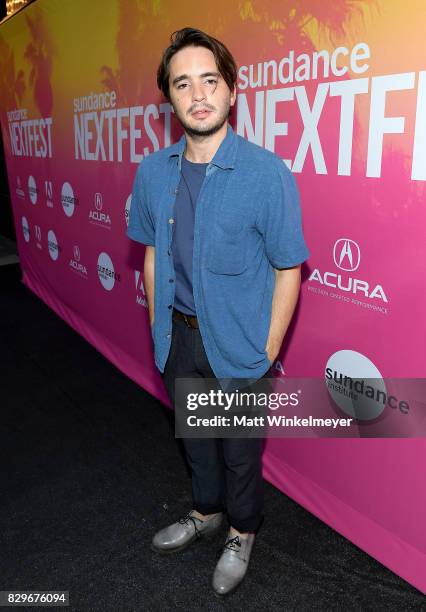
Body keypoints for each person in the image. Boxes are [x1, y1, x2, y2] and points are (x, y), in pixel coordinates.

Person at [127, 27, 310, 597]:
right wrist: (161, 331)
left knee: (239, 453)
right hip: (178, 340)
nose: (198, 94)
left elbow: (289, 267)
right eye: (183, 84)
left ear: (232, 90)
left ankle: (242, 530)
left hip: (238, 347)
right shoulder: (153, 172)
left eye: (210, 80)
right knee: (197, 443)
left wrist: (268, 349)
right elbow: (153, 254)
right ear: (170, 97)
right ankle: (205, 513)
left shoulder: (267, 173)